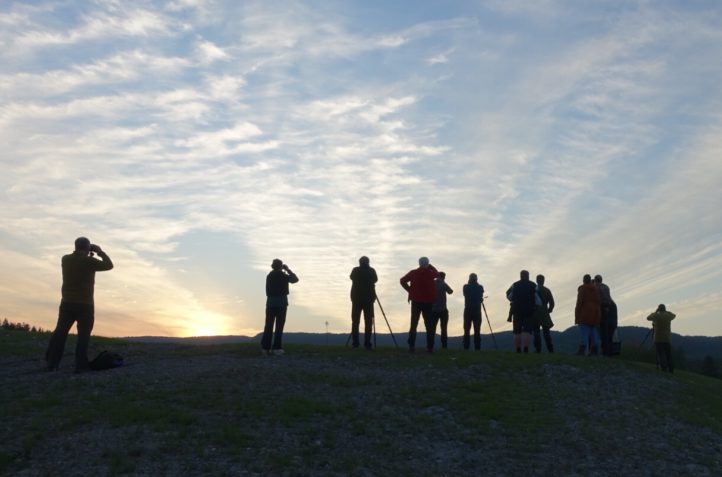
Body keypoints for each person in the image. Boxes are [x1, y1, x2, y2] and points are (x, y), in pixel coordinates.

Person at [45, 237, 114, 372]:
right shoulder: (90, 261)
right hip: (85, 305)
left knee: (60, 333)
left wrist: (88, 253)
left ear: (75, 246)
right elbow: (109, 265)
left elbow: (79, 262)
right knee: (83, 336)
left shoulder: (65, 259)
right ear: (88, 248)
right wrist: (100, 252)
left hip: (66, 303)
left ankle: (52, 363)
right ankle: (80, 365)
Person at [400, 257, 438, 353]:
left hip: (416, 301)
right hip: (428, 302)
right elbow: (437, 273)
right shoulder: (431, 273)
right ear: (428, 264)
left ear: (419, 263)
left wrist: (409, 290)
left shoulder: (413, 273)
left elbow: (402, 280)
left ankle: (411, 346)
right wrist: (431, 266)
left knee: (413, 324)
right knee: (429, 326)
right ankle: (430, 348)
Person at [262, 259, 299, 355]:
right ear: (280, 266)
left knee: (268, 326)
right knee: (279, 326)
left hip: (270, 303)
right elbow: (295, 280)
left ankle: (265, 348)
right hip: (281, 303)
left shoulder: (269, 276)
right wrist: (288, 270)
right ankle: (277, 348)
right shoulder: (283, 276)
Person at [350, 256, 378, 350]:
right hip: (369, 300)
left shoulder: (355, 270)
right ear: (368, 262)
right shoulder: (371, 271)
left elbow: (351, 277)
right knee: (369, 322)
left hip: (356, 299)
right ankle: (367, 344)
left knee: (355, 322)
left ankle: (355, 343)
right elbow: (375, 279)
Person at [507, 270, 536, 353]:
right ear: (528, 275)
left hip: (517, 310)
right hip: (529, 310)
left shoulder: (515, 285)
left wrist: (515, 300)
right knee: (527, 330)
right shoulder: (533, 285)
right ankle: (526, 348)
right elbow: (538, 298)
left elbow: (509, 296)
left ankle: (518, 349)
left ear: (520, 276)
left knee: (517, 331)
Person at [575, 274, 601, 356]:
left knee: (584, 332)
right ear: (590, 280)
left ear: (583, 281)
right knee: (593, 331)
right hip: (595, 313)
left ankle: (582, 351)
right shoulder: (596, 289)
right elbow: (599, 301)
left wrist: (577, 315)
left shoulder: (582, 289)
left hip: (584, 313)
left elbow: (579, 302)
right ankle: (595, 350)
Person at [646, 304, 676, 373]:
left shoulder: (656, 315)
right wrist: (667, 312)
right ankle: (671, 369)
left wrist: (655, 312)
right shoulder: (668, 316)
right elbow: (674, 315)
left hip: (658, 338)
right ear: (665, 309)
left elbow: (648, 318)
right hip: (667, 338)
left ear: (658, 309)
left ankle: (663, 368)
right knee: (668, 354)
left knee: (661, 354)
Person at [594, 275, 618, 356]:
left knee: (604, 334)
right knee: (610, 336)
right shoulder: (606, 287)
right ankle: (610, 354)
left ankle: (604, 353)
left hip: (603, 311)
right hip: (613, 314)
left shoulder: (596, 287)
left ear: (596, 281)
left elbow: (597, 299)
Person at [533, 274, 555, 353]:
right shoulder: (547, 290)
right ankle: (550, 349)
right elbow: (552, 302)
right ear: (543, 281)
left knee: (536, 331)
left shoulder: (534, 290)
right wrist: (549, 310)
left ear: (536, 280)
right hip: (545, 312)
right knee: (546, 332)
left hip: (535, 313)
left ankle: (538, 349)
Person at [462, 273, 484, 351]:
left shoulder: (465, 287)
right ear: (476, 279)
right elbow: (481, 297)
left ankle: (466, 347)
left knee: (466, 330)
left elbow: (465, 294)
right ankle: (477, 348)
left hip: (467, 310)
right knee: (477, 330)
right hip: (477, 311)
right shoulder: (480, 287)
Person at [431, 272, 453, 349]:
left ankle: (431, 345)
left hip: (433, 309)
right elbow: (450, 291)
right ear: (443, 277)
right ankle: (444, 346)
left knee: (432, 329)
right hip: (443, 310)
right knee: (444, 329)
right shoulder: (443, 284)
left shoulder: (432, 283)